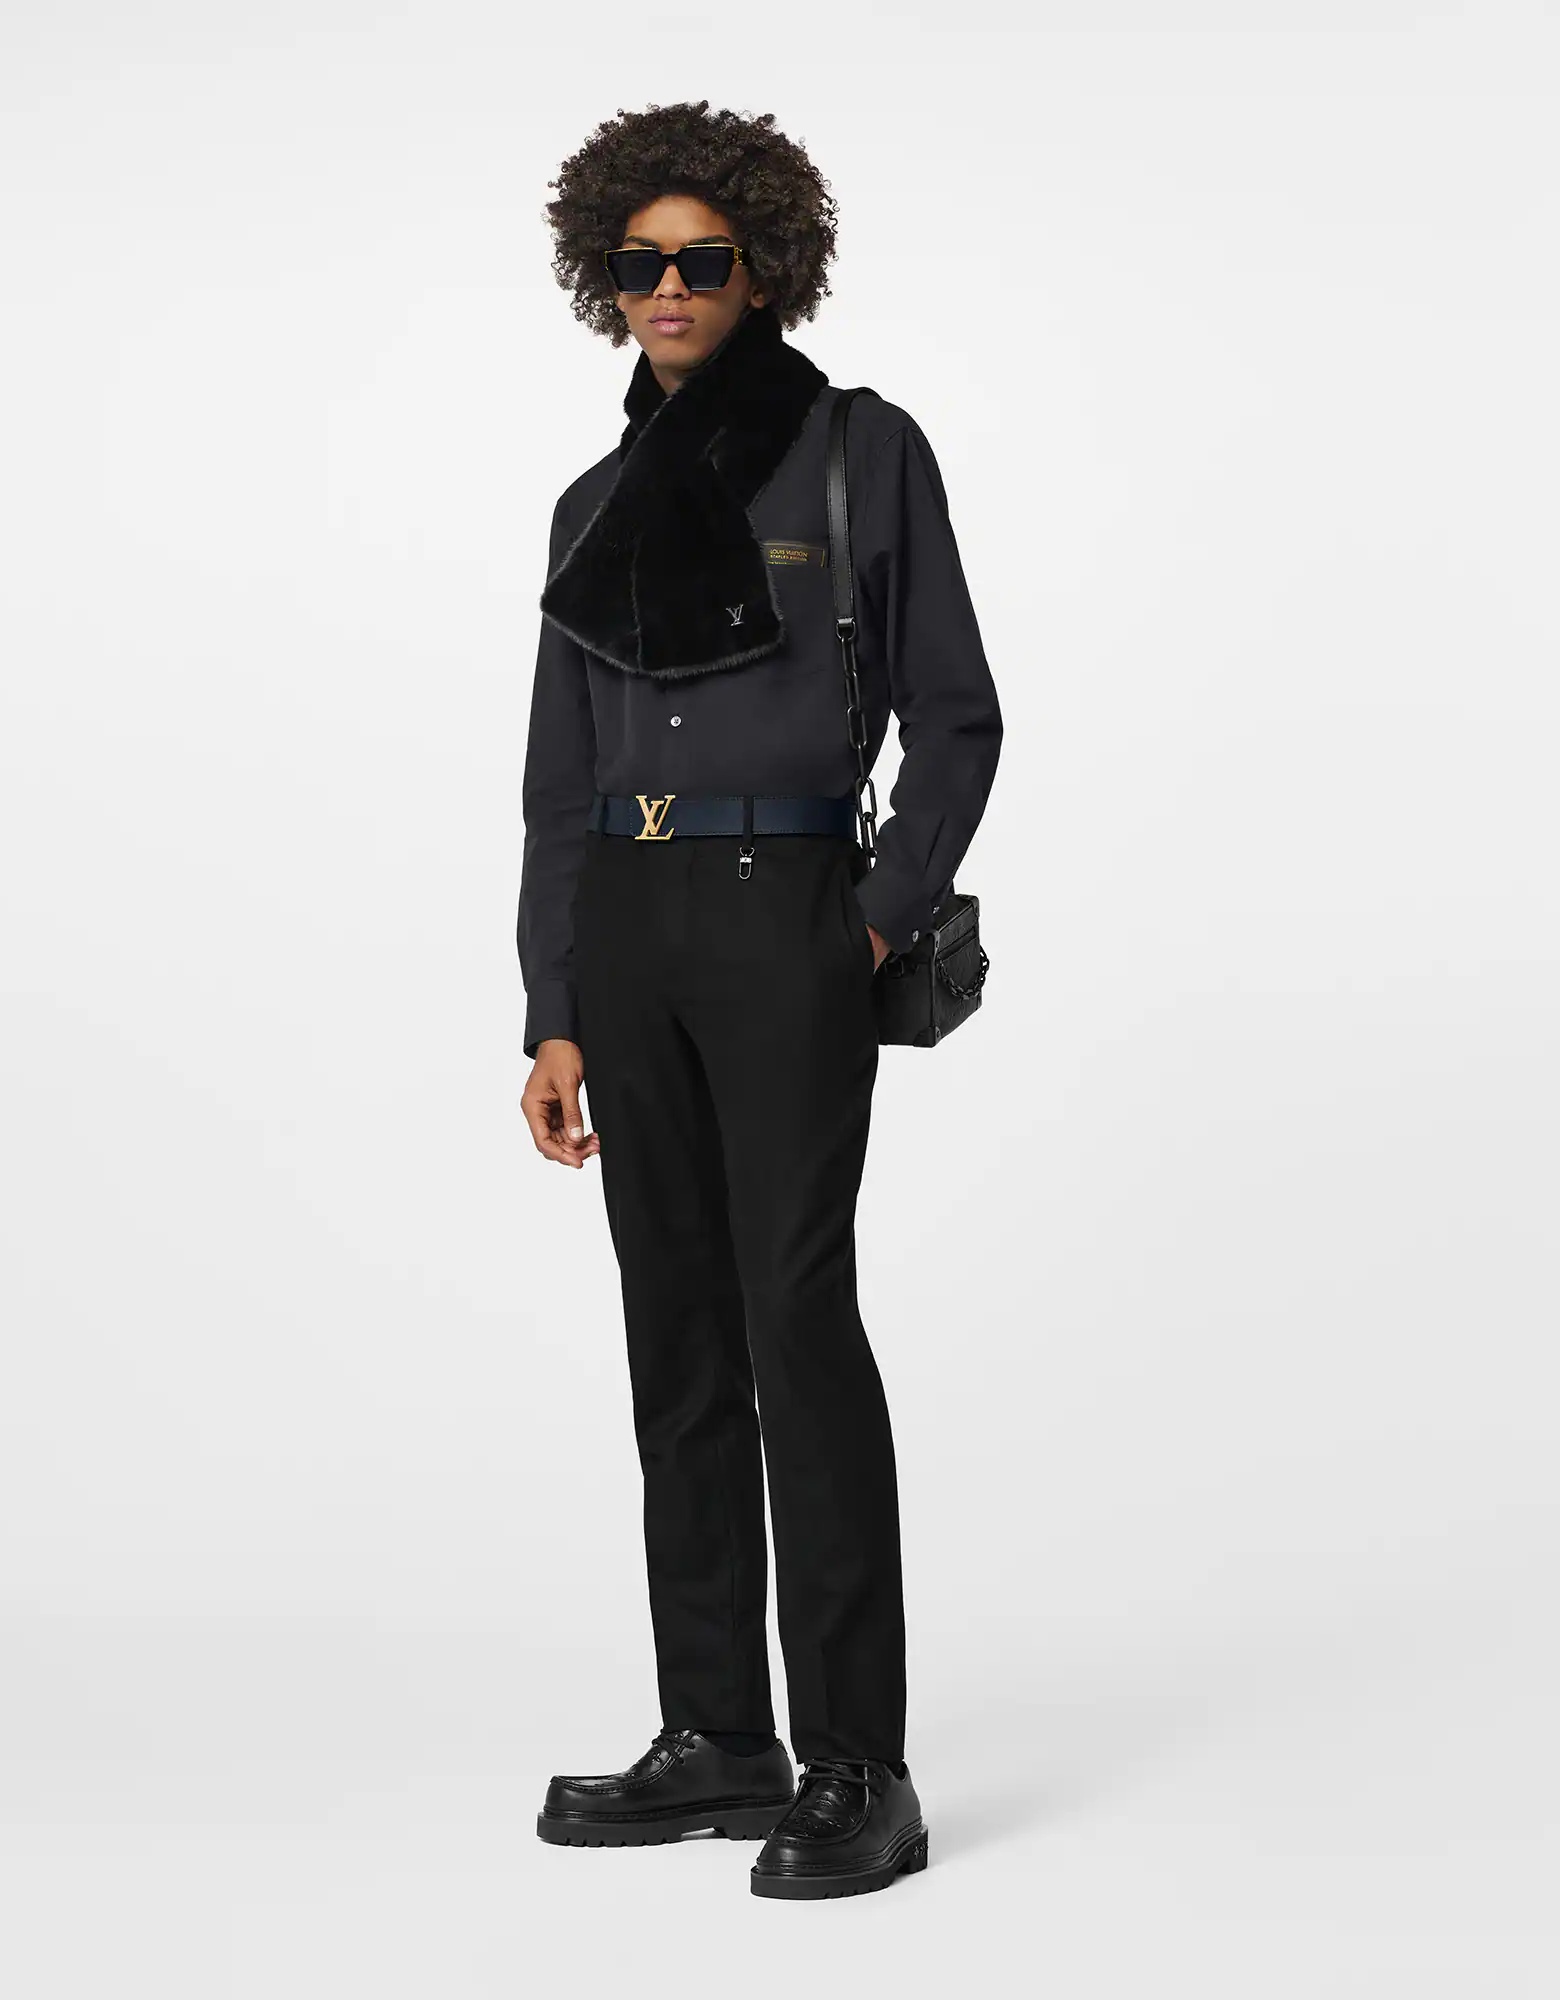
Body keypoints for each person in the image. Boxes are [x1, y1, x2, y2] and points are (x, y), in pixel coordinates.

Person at [516, 99, 1003, 1900]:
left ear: (764, 267)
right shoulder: (592, 508)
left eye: (702, 259)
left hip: (785, 912)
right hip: (629, 926)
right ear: (601, 276)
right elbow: (559, 783)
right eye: (636, 262)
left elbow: (958, 717)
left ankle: (861, 1764)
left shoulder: (860, 453)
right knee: (676, 1334)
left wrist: (867, 925)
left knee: (797, 1324)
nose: (668, 287)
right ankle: (721, 1735)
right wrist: (554, 1003)